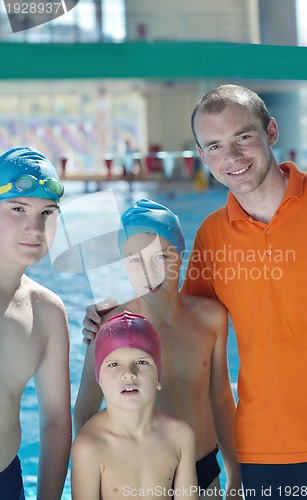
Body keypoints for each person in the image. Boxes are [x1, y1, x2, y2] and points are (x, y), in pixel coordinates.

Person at [181, 84, 307, 497]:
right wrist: (114, 320)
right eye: (214, 145)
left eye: (242, 137)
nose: (231, 157)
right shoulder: (211, 235)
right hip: (263, 448)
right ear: (202, 155)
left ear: (271, 132)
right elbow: (186, 329)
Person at [75, 198, 242, 499]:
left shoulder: (211, 318)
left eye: (161, 257)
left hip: (204, 471)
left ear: (180, 256)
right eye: (134, 260)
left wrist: (235, 474)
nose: (149, 271)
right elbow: (85, 411)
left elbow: (220, 399)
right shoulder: (109, 326)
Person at [0, 147, 71, 499]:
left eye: (47, 212)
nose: (35, 227)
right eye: (17, 209)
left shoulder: (47, 311)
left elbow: (56, 423)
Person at [71, 310, 199, 500]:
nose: (129, 373)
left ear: (158, 375)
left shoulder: (180, 435)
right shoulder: (90, 446)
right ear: (99, 380)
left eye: (141, 362)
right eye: (114, 364)